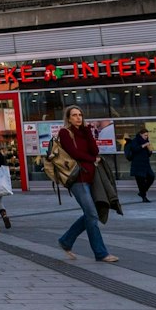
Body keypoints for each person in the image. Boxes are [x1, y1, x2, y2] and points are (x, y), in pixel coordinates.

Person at [54, 107, 119, 262]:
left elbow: (95, 150)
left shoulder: (85, 131)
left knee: (92, 213)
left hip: (92, 178)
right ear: (68, 118)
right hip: (77, 179)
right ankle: (101, 253)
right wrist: (91, 159)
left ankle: (66, 240)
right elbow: (74, 153)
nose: (78, 118)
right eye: (74, 115)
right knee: (91, 214)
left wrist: (88, 133)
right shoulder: (65, 133)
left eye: (80, 115)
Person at [123, 127, 155, 203]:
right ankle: (144, 197)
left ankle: (142, 192)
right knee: (141, 182)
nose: (146, 137)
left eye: (147, 135)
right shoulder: (135, 141)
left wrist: (150, 150)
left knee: (151, 177)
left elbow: (148, 154)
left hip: (145, 163)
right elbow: (135, 149)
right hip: (137, 164)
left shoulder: (146, 141)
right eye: (145, 135)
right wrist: (143, 145)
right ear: (140, 134)